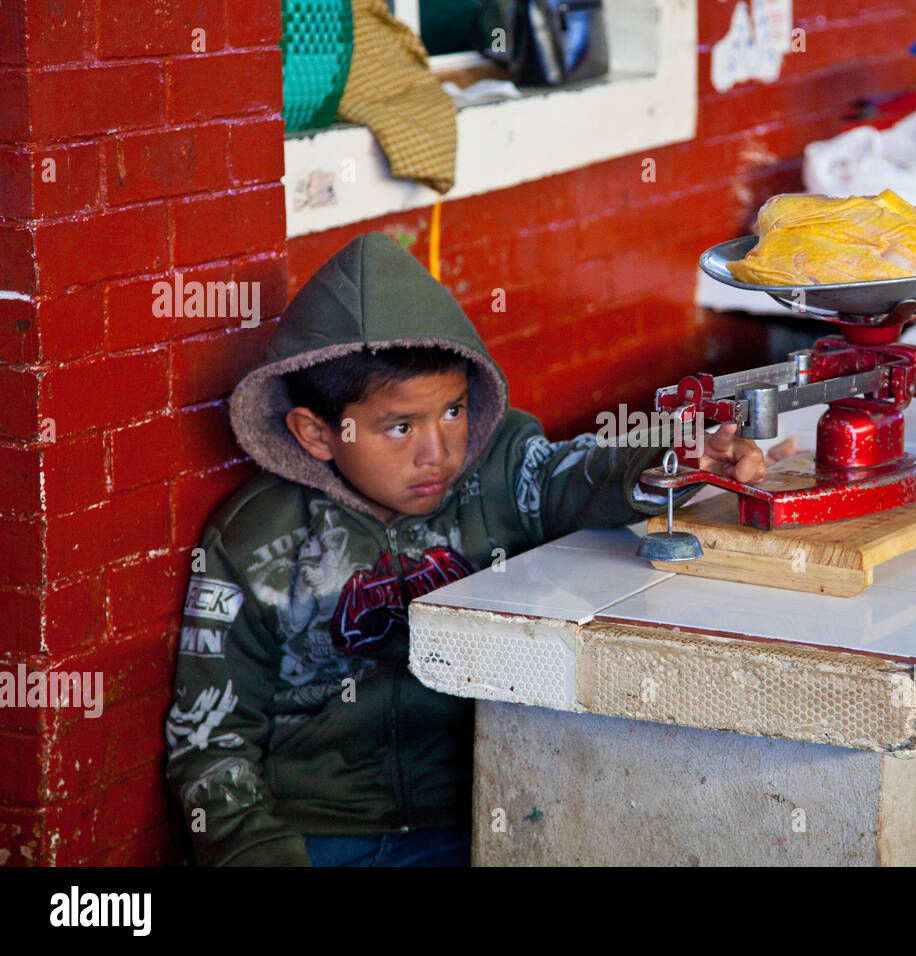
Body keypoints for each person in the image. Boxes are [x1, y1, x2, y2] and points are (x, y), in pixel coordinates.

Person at [164, 232, 777, 866]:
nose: (438, 453)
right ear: (318, 433)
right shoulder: (255, 543)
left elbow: (578, 475)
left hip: (482, 814)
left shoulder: (500, 470)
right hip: (316, 837)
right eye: (400, 427)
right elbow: (211, 743)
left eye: (453, 412)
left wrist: (668, 463)